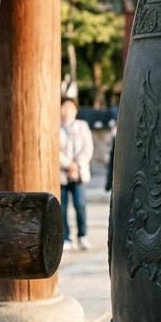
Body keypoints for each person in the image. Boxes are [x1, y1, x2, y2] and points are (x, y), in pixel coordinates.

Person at [59, 94, 95, 251]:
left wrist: (77, 165)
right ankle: (65, 237)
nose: (67, 110)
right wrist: (68, 165)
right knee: (62, 207)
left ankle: (82, 235)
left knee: (80, 205)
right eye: (64, 107)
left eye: (70, 107)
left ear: (75, 110)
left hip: (79, 172)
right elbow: (54, 150)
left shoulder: (82, 126)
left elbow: (88, 148)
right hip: (61, 173)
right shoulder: (55, 127)